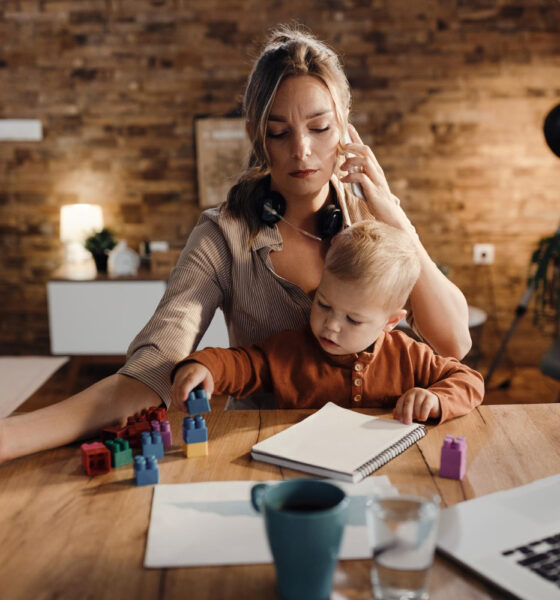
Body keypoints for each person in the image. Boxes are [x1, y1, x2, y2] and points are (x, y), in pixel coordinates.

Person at [0, 25, 471, 463]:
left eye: (320, 128)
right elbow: (154, 366)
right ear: (256, 136)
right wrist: (14, 436)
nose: (301, 150)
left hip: (382, 444)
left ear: (346, 127)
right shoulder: (222, 235)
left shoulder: (377, 221)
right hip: (266, 450)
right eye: (279, 132)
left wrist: (391, 214)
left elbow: (454, 341)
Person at [171, 221, 483, 423]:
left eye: (353, 319)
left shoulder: (408, 355)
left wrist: (435, 399)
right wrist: (205, 366)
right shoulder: (290, 350)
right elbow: (241, 364)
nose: (331, 325)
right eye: (323, 304)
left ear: (391, 322)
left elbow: (469, 381)